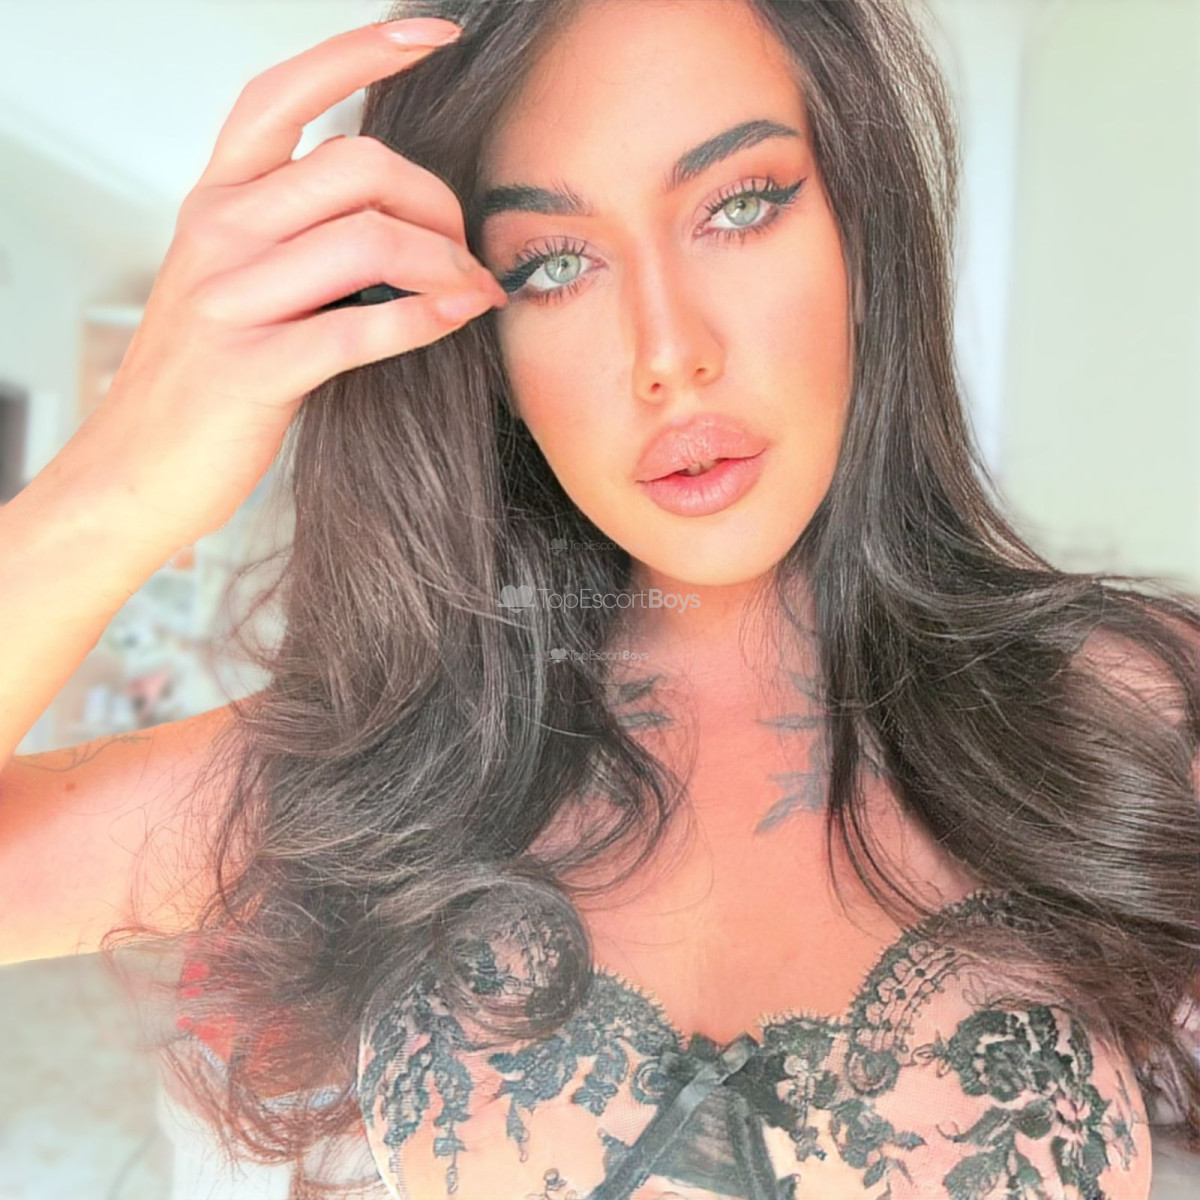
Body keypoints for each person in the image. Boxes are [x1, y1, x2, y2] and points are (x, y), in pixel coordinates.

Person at [0, 1, 1197, 1197]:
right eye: (553, 266)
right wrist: (116, 486)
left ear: (862, 239)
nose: (667, 353)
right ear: (486, 349)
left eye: (741, 206)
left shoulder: (1137, 719)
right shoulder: (375, 768)